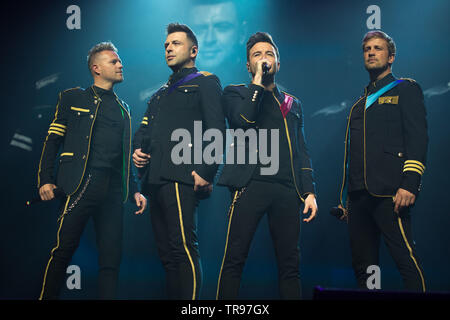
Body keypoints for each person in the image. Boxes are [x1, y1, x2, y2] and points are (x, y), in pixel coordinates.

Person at [37, 42, 147, 299]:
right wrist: (45, 179)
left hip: (113, 191)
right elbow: (52, 140)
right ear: (96, 68)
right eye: (114, 62)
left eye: (120, 62)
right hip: (81, 184)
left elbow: (123, 157)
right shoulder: (73, 97)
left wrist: (134, 192)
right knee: (63, 251)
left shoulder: (124, 109)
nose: (120, 65)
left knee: (111, 258)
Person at [216, 32, 318, 299]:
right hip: (250, 185)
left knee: (290, 265)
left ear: (279, 64)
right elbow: (242, 121)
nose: (264, 59)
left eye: (269, 54)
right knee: (234, 260)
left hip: (287, 190)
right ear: (248, 66)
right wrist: (258, 85)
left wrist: (309, 191)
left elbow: (301, 150)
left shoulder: (293, 103)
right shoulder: (234, 93)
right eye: (257, 55)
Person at [132, 23, 225, 300]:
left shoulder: (205, 81)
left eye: (176, 44)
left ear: (193, 50)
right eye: (166, 45)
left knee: (183, 249)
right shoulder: (159, 93)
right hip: (155, 179)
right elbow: (144, 130)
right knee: (168, 257)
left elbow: (217, 129)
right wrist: (137, 149)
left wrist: (208, 171)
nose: (169, 48)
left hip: (182, 175)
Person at [337, 31, 428, 292]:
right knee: (365, 269)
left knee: (405, 260)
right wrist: (344, 198)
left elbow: (418, 138)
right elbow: (350, 155)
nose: (371, 52)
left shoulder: (405, 89)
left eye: (377, 48)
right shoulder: (357, 105)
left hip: (391, 192)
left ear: (391, 57)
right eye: (367, 48)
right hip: (358, 198)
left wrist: (410, 183)